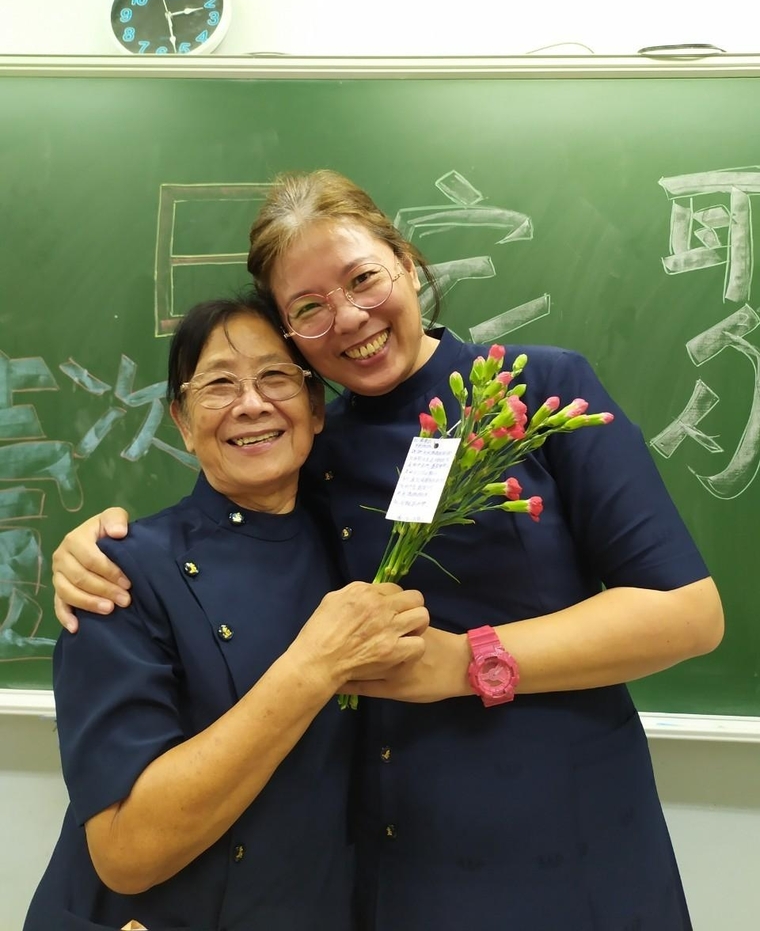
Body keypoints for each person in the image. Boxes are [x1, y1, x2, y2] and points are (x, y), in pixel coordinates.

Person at [53, 171, 724, 931]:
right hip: (392, 866)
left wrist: (467, 661)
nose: (348, 318)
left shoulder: (537, 391)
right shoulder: (312, 447)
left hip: (570, 838)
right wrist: (92, 545)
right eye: (308, 308)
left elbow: (689, 614)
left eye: (363, 278)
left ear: (406, 262)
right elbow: (223, 533)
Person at [26, 292, 429, 931]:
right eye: (218, 385)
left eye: (276, 377)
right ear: (182, 422)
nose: (251, 403)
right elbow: (127, 851)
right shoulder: (121, 573)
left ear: (315, 407)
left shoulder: (362, 551)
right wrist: (313, 667)